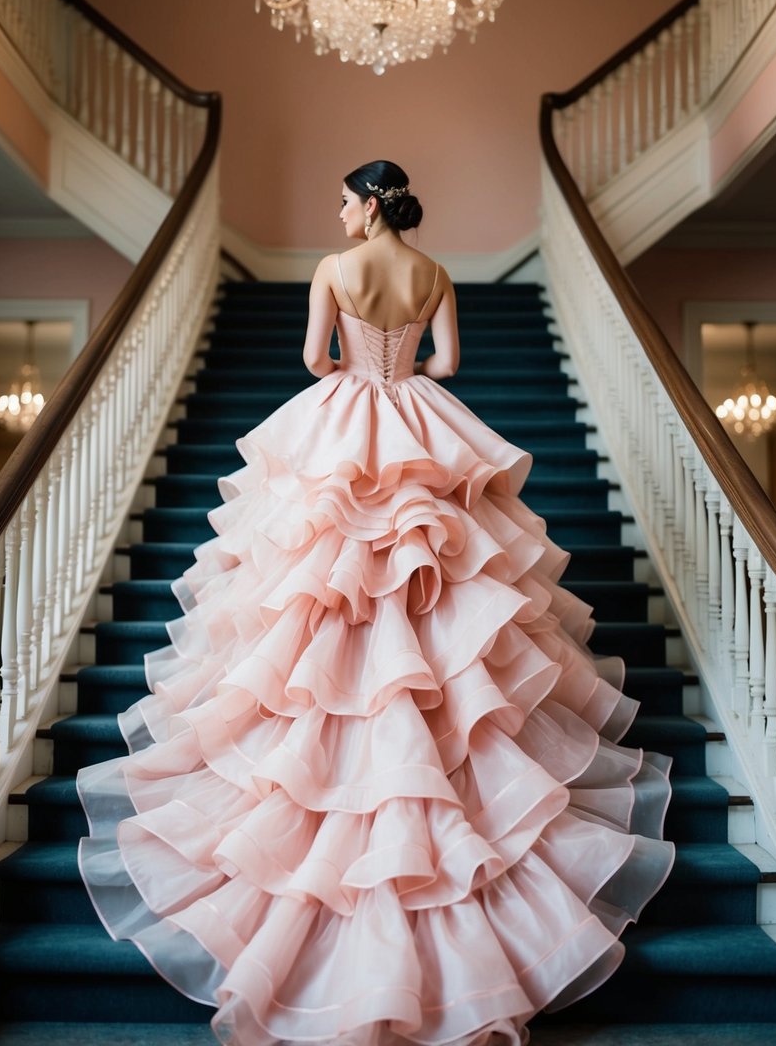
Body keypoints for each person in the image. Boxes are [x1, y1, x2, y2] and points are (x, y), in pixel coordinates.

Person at [77, 160, 674, 1046]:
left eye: (343, 200)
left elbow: (313, 359)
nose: (338, 212)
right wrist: (402, 370)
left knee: (323, 586)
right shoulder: (431, 273)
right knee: (442, 594)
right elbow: (450, 363)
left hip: (345, 418)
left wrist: (352, 366)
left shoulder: (333, 267)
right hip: (420, 419)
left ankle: (343, 739)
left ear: (365, 204)